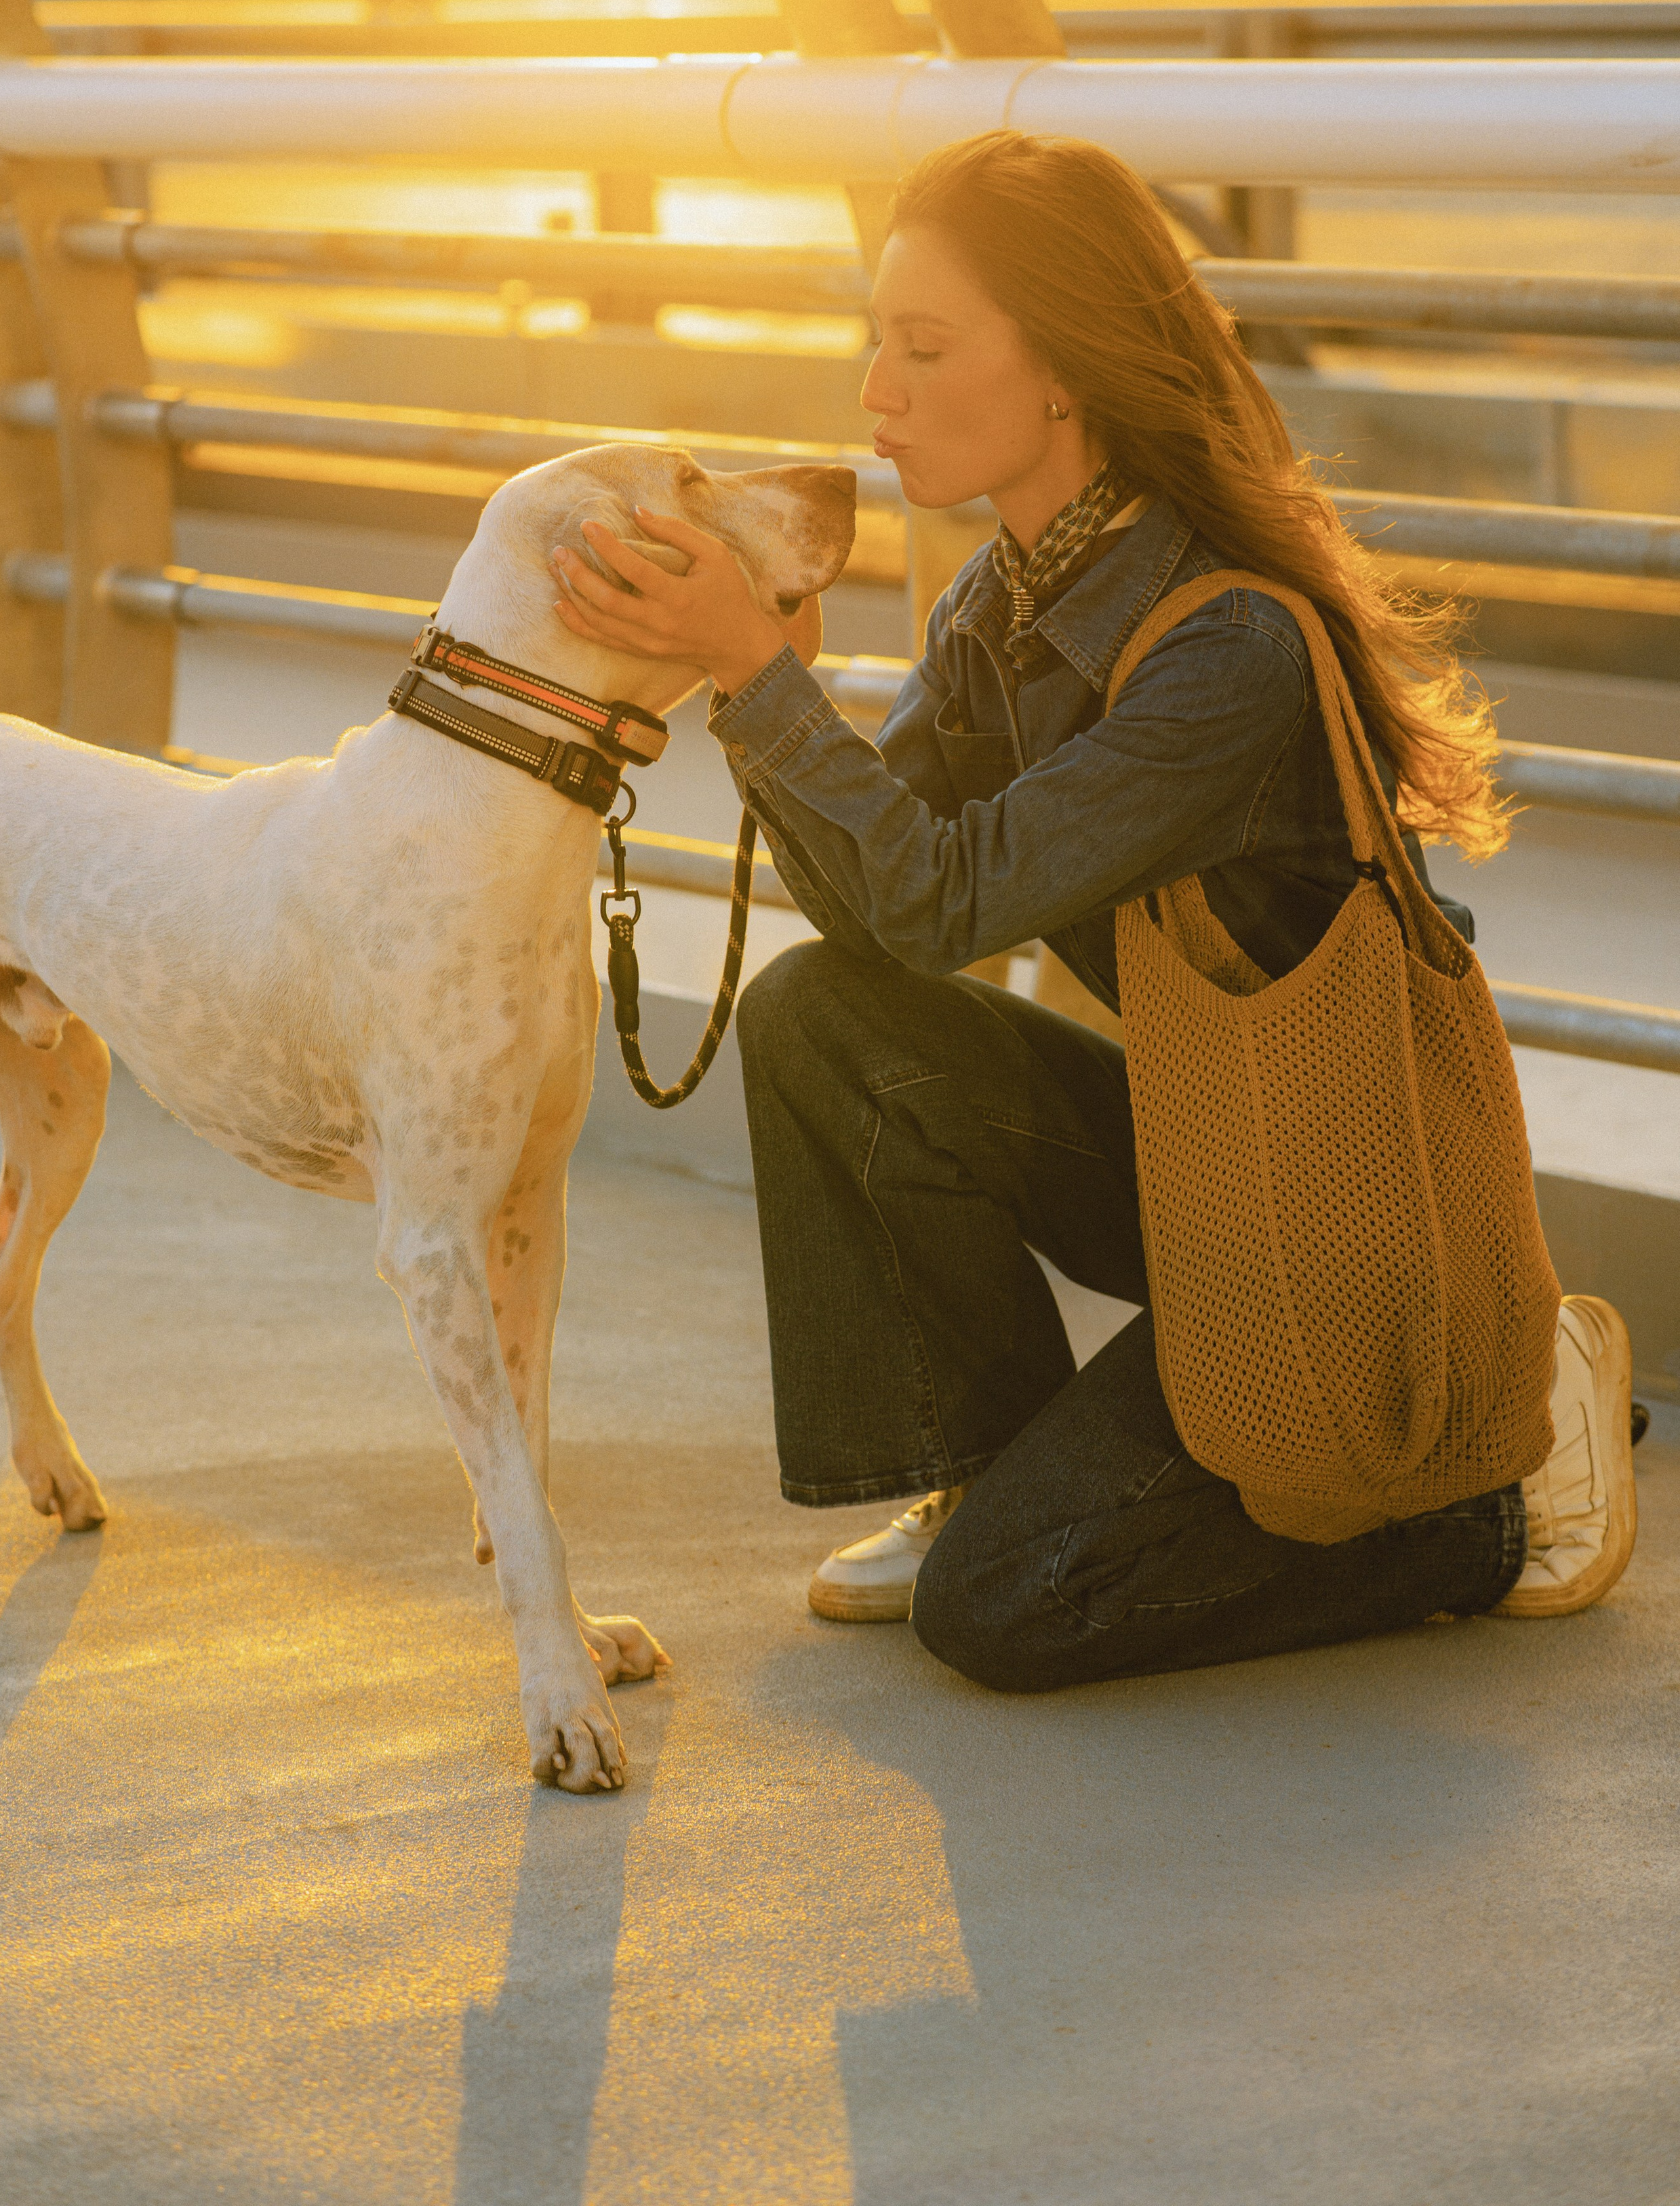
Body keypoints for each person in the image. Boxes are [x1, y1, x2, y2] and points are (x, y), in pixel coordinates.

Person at [551, 129, 1637, 1693]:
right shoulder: (999, 605)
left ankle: (1490, 1482)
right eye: (876, 342)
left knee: (1005, 1614)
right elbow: (878, 925)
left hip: (1348, 1233)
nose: (875, 390)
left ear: (1062, 367)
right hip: (1212, 1172)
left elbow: (943, 900)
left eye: (922, 348)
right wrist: (754, 673)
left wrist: (755, 676)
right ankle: (981, 1466)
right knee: (816, 1013)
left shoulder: (1227, 650)